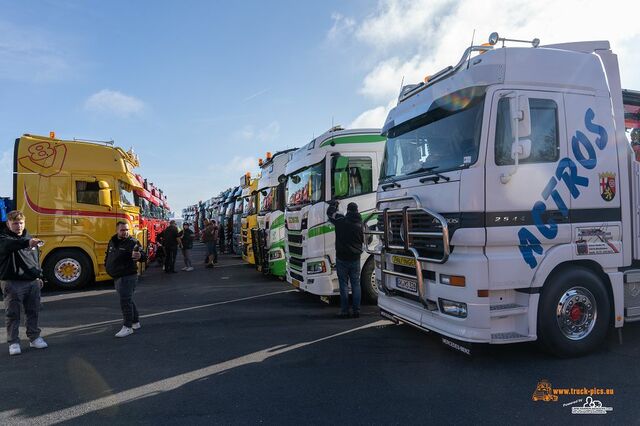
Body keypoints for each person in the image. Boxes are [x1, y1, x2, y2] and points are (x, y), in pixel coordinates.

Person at [0, 210, 48, 355]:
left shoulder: (29, 238)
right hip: (12, 282)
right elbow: (10, 245)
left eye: (21, 223)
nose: (18, 226)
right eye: (15, 223)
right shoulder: (4, 238)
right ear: (8, 224)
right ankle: (13, 342)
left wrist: (39, 276)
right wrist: (27, 242)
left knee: (33, 311)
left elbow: (36, 260)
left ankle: (34, 338)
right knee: (13, 314)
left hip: (32, 282)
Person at [105, 221, 147, 338]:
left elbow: (143, 256)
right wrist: (106, 265)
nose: (125, 232)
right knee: (128, 299)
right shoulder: (112, 241)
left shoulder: (132, 242)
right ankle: (135, 322)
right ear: (117, 230)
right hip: (117, 276)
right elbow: (107, 254)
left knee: (125, 301)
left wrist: (140, 256)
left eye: (127, 229)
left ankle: (128, 327)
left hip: (128, 276)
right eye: (122, 230)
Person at [327, 200, 364, 318]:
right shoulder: (361, 224)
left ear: (347, 211)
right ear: (357, 211)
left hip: (342, 258)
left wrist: (334, 205)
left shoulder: (341, 221)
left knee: (343, 285)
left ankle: (344, 311)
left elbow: (329, 214)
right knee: (356, 284)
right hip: (355, 259)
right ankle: (356, 310)